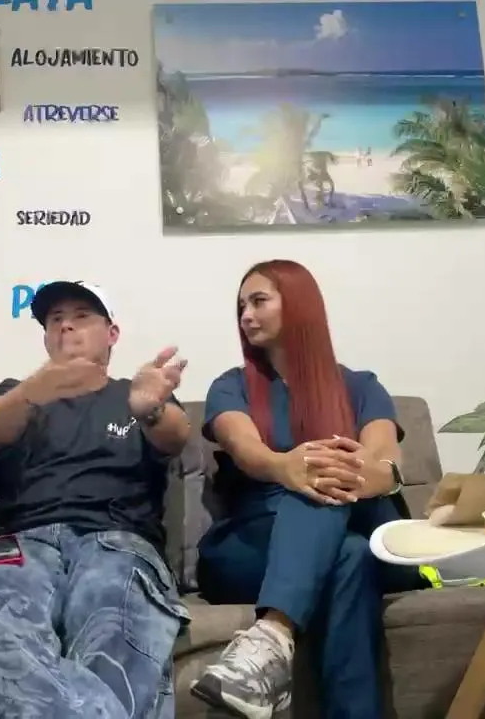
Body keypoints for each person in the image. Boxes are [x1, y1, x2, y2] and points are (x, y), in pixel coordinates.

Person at [190, 260, 425, 719]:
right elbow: (244, 447)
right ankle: (282, 647)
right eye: (241, 306)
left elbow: (385, 460)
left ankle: (270, 640)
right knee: (347, 554)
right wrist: (285, 467)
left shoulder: (360, 387)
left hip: (363, 522)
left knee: (329, 491)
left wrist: (353, 474)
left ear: (299, 304)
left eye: (259, 301)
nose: (246, 316)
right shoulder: (232, 387)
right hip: (253, 544)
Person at [0, 280, 193, 718]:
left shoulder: (137, 393)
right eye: (55, 319)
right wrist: (32, 390)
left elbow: (176, 437)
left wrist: (150, 408)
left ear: (112, 334)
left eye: (81, 316)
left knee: (112, 624)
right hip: (17, 540)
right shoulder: (17, 393)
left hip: (116, 538)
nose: (66, 326)